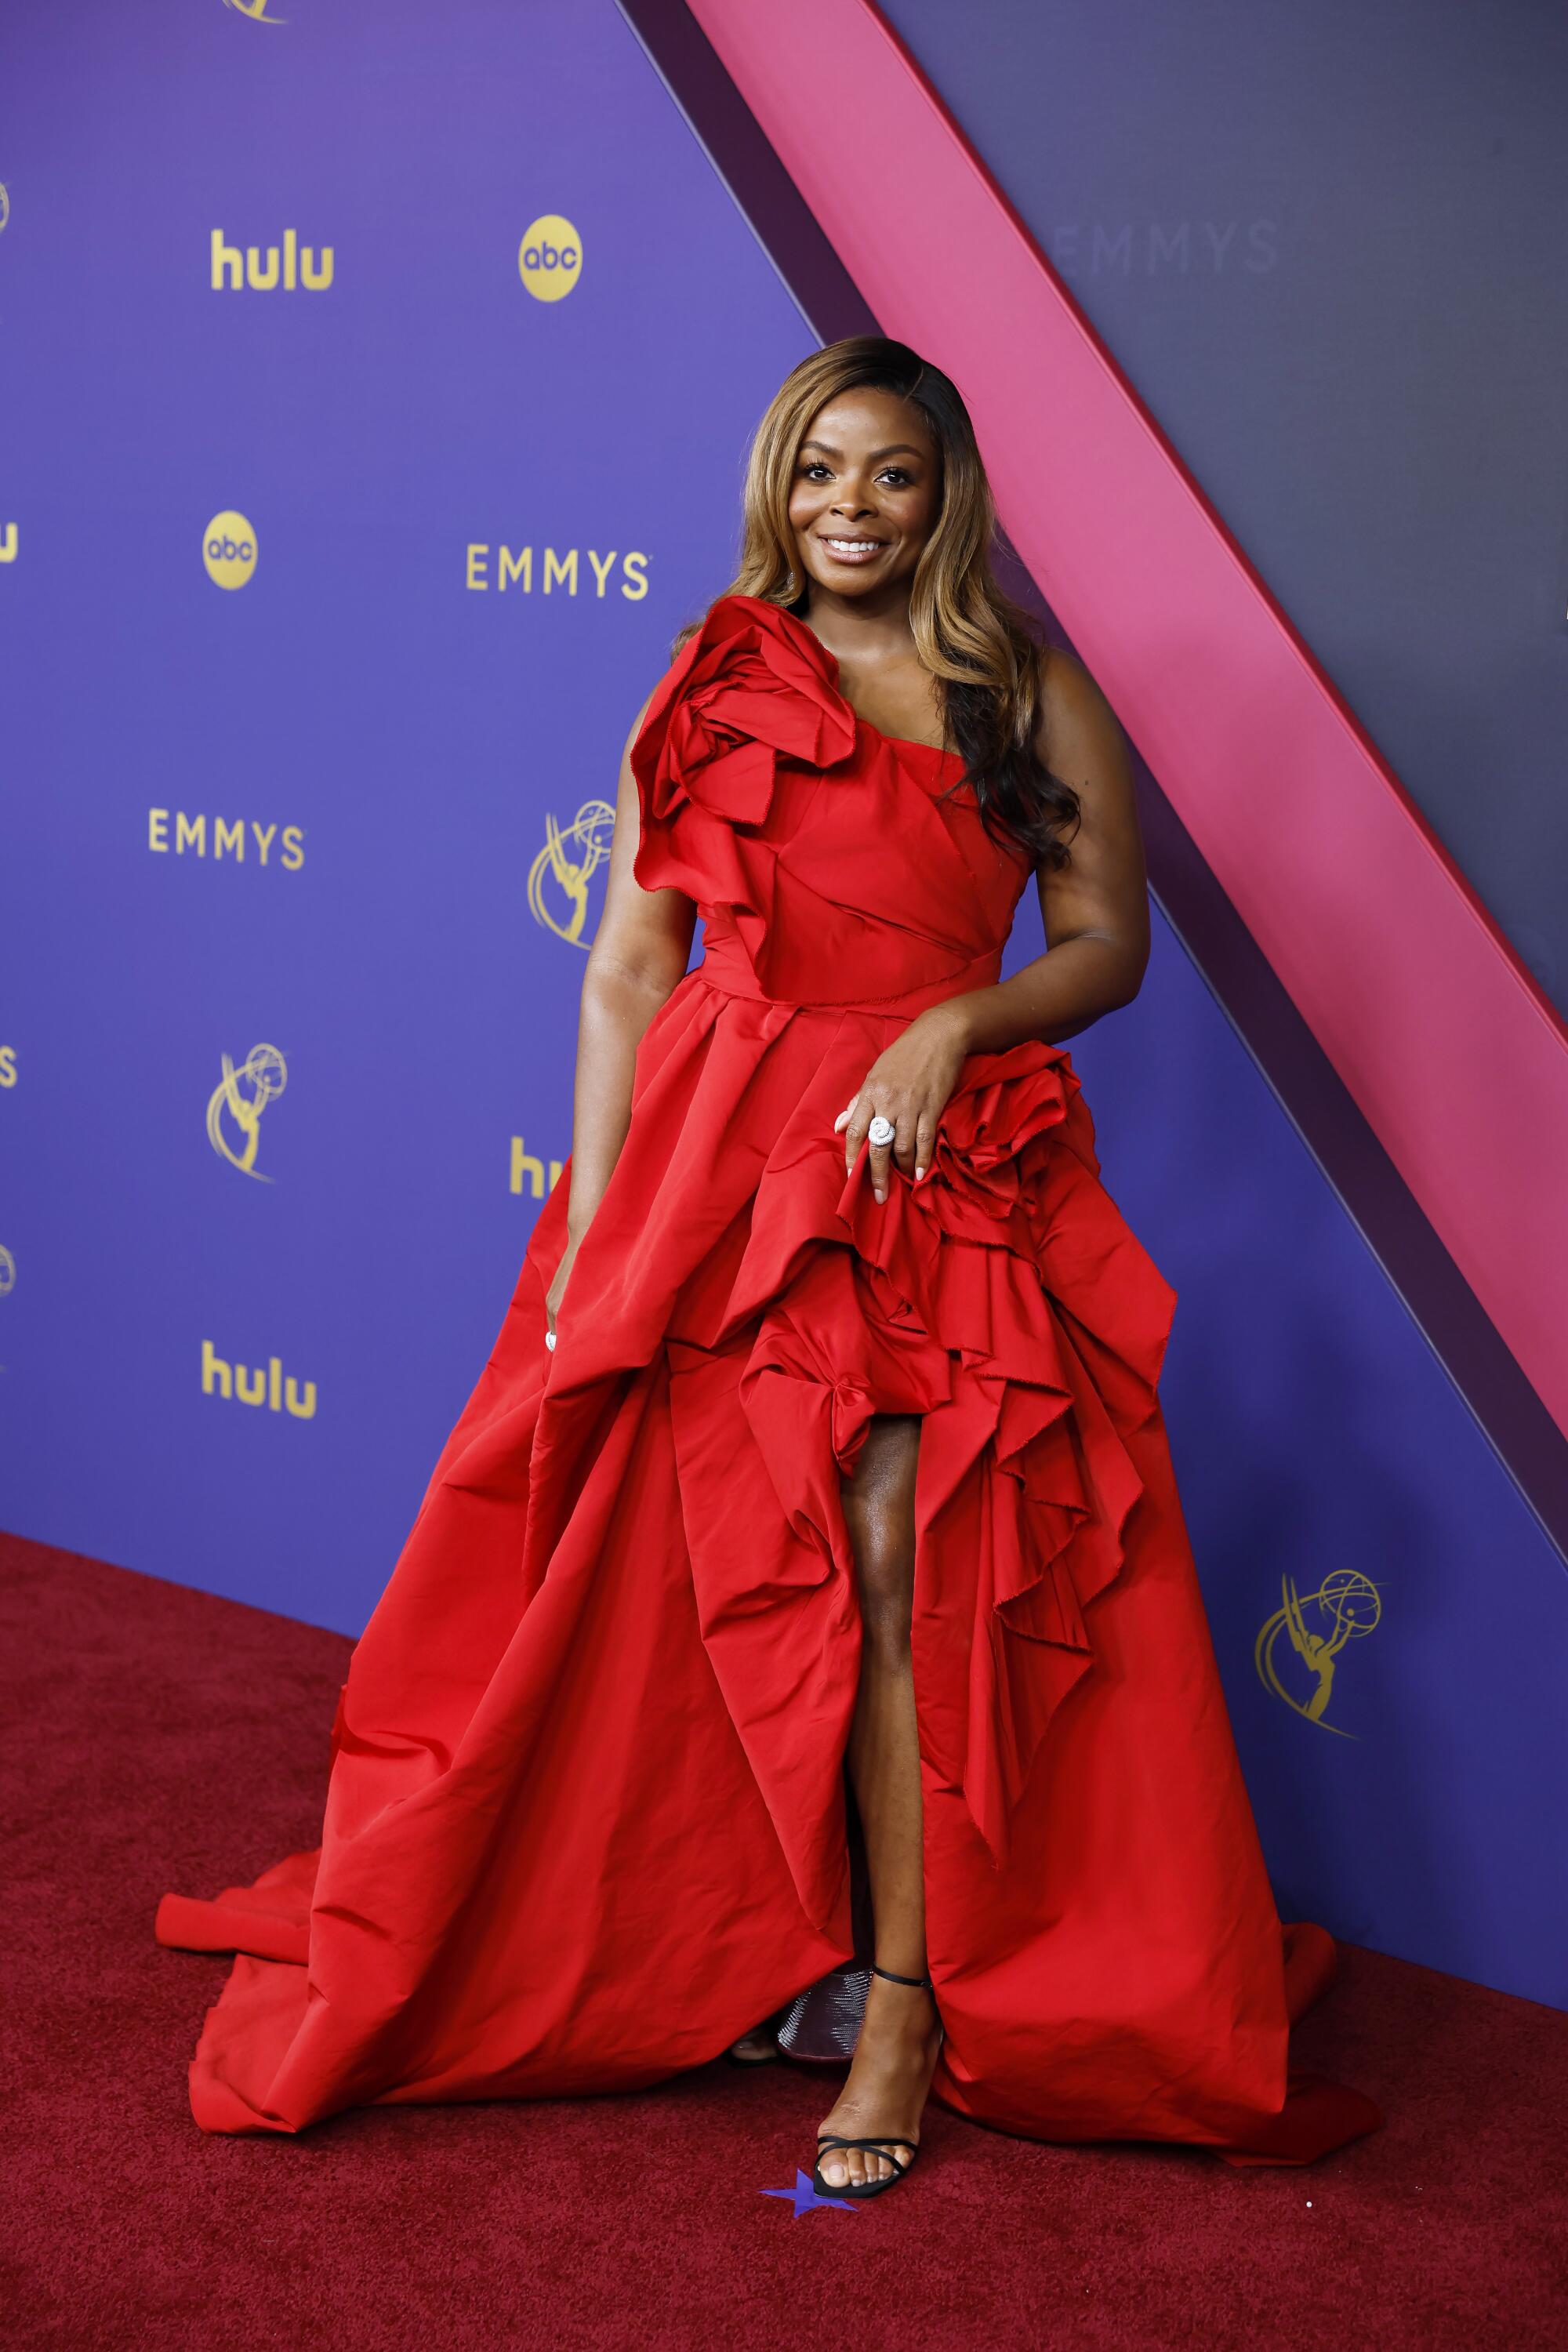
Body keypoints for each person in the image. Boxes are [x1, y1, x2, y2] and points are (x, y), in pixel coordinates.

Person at [157, 337, 1380, 2194]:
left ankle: (900, 1999)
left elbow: (1108, 940)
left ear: (945, 489)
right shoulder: (719, 676)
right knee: (700, 1561)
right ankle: (749, 1943)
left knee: (904, 1549)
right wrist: (591, 1219)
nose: (850, 509)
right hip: (720, 1168)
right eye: (818, 472)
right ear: (775, 488)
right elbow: (629, 966)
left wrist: (953, 1027)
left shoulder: (1024, 689)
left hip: (930, 1161)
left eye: (889, 474)